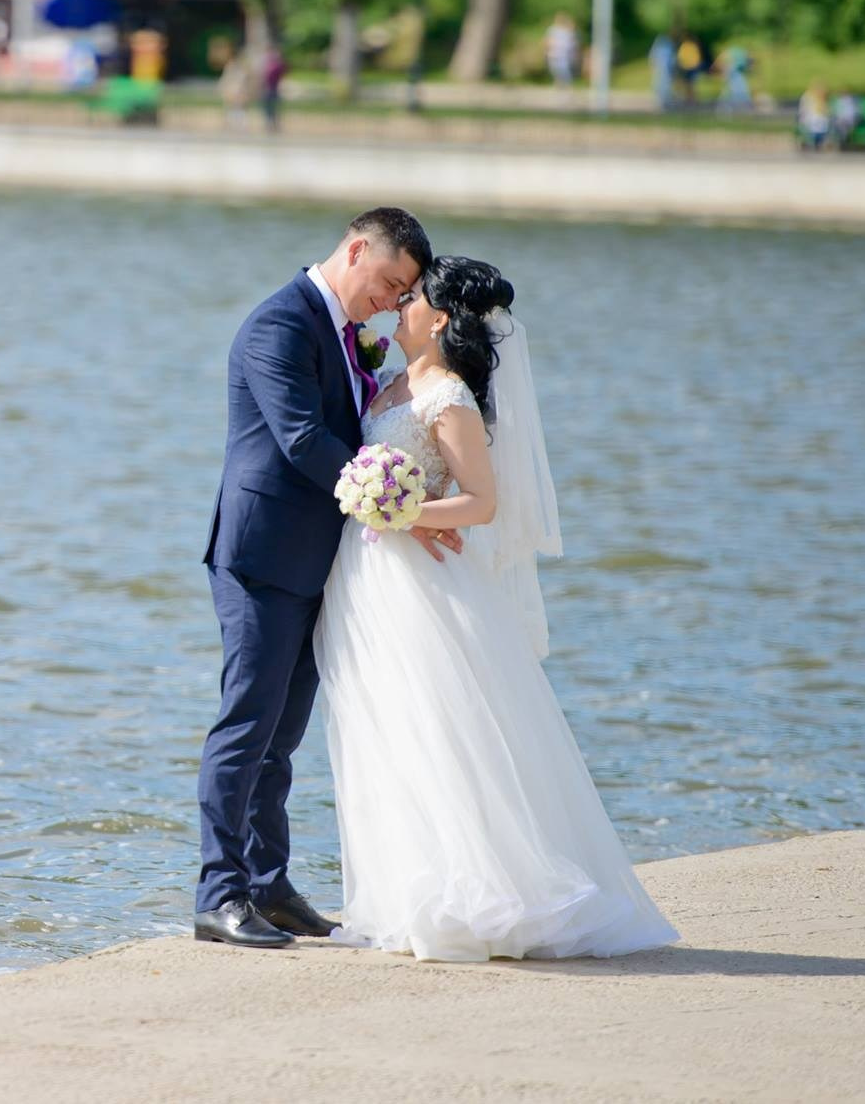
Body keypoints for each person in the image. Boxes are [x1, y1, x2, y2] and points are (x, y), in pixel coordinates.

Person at [313, 257, 680, 961]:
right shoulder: (395, 378)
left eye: (412, 298)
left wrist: (401, 508)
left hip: (416, 582)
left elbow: (482, 502)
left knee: (430, 730)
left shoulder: (447, 395)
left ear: (443, 317)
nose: (398, 306)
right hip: (368, 572)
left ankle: (475, 894)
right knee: (380, 728)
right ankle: (401, 894)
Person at [195, 208, 448, 949]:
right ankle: (219, 894)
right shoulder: (280, 323)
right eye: (390, 282)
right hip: (262, 556)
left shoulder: (350, 337)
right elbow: (302, 437)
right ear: (356, 248)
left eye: (405, 295)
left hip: (319, 560)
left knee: (282, 737)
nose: (391, 302)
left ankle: (269, 886)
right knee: (246, 725)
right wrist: (401, 504)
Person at [544, 13, 579, 96]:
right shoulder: (552, 30)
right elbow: (547, 40)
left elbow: (572, 42)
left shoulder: (566, 30)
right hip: (554, 54)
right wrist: (546, 49)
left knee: (564, 70)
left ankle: (567, 86)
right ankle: (559, 86)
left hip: (563, 54)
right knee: (555, 70)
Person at [648, 33, 676, 111]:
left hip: (665, 71)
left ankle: (665, 104)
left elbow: (652, 58)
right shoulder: (666, 47)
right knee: (662, 87)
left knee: (665, 87)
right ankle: (663, 104)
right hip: (662, 71)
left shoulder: (666, 47)